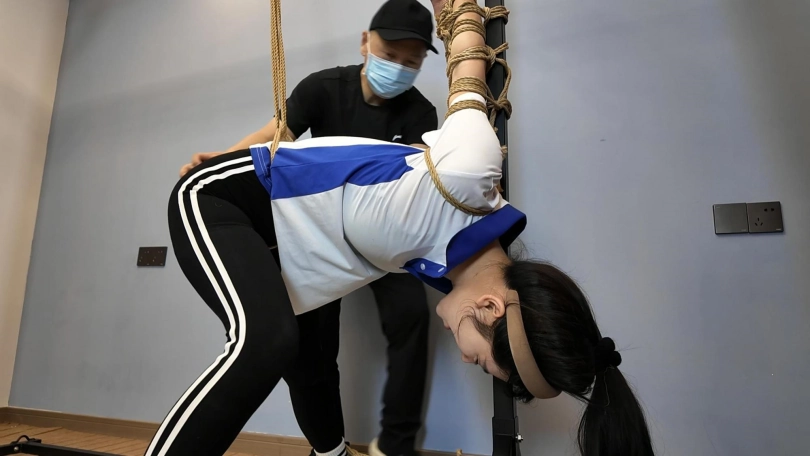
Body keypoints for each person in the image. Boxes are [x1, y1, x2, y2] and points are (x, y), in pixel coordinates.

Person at [148, 1, 655, 456]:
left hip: (297, 249)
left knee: (311, 361)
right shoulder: (468, 172)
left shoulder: (453, 257)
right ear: (490, 307)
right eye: (481, 360)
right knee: (268, 341)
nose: (466, 358)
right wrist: (459, 12)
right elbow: (466, 56)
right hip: (227, 201)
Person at [179, 1, 438, 455]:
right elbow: (276, 133)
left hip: (383, 237)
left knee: (413, 317)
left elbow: (418, 180)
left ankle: (396, 444)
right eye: (390, 54)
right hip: (321, 233)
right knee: (313, 352)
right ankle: (329, 446)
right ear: (365, 43)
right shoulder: (323, 87)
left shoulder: (420, 112)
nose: (398, 67)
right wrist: (221, 160)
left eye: (410, 61)